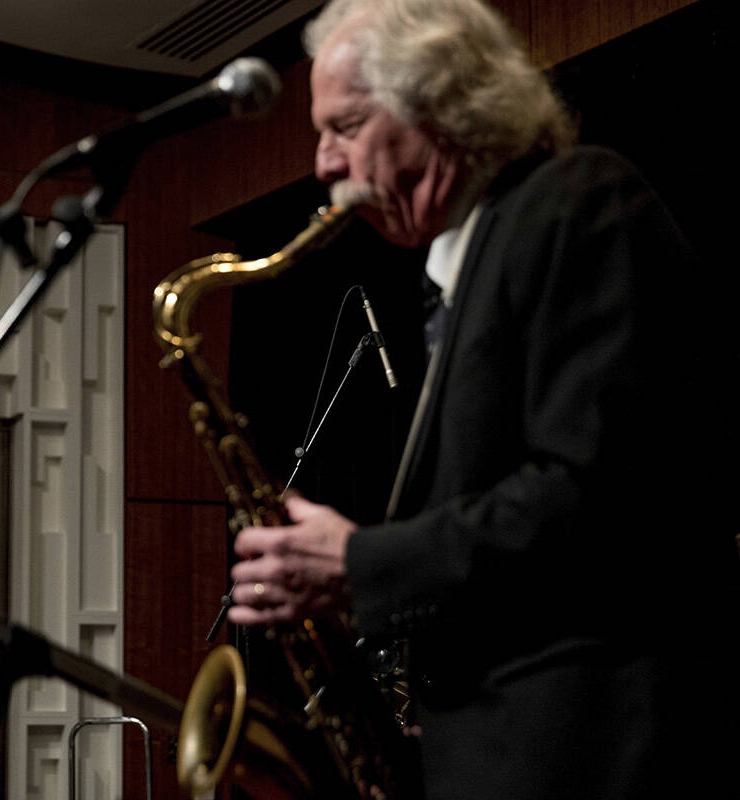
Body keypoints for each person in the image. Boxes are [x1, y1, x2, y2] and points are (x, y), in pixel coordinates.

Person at [226, 1, 740, 797]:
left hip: (590, 756)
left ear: (441, 103)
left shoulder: (581, 201)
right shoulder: (463, 266)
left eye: (346, 126)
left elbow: (600, 495)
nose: (323, 162)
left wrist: (363, 562)